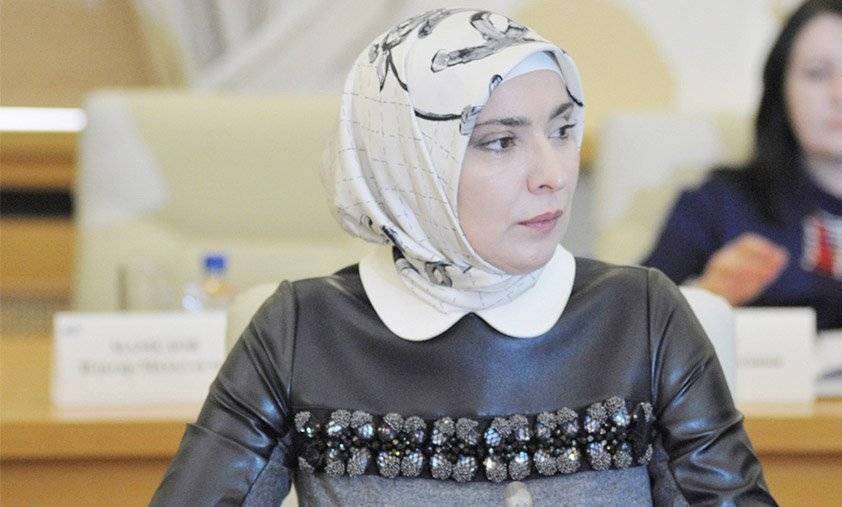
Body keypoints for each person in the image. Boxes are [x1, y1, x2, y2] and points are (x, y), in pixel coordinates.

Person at [152, 9, 774, 505]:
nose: (554, 174)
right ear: (410, 162)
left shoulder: (640, 313)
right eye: (500, 142)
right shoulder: (301, 328)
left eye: (562, 130)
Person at [644, 0, 842, 331]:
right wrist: (704, 297)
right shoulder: (718, 204)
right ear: (780, 91)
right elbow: (627, 328)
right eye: (817, 73)